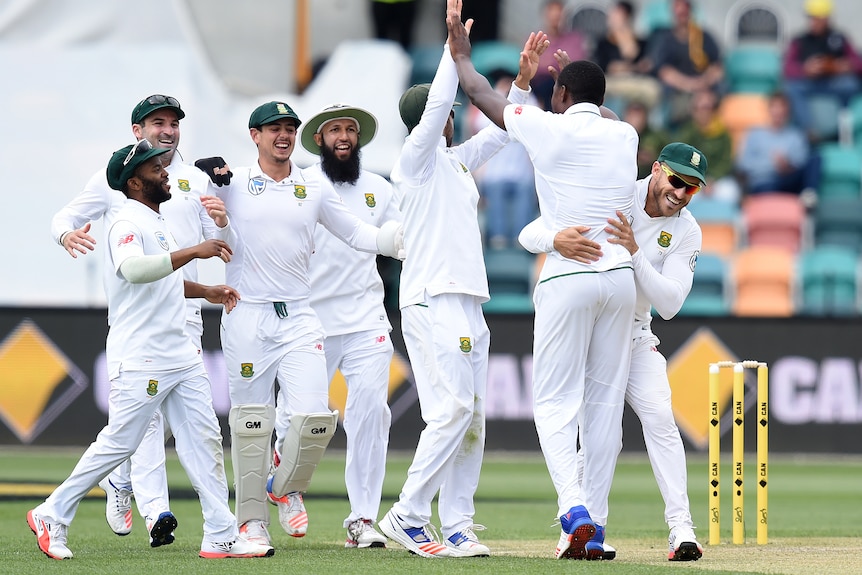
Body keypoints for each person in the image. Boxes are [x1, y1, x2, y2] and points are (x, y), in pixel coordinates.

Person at [446, 0, 638, 560]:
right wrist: (565, 89)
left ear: (560, 98)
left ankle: (573, 508)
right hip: (619, 279)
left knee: (555, 403)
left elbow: (481, 93)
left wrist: (460, 46)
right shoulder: (623, 135)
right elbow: (597, 113)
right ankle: (592, 529)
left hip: (568, 276)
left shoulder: (547, 128)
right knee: (604, 408)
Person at [27, 140, 272, 561]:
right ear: (136, 182)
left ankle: (220, 533)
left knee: (204, 439)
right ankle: (52, 513)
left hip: (180, 351)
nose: (165, 172)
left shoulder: (155, 221)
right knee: (121, 443)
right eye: (156, 169)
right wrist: (193, 251)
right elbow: (133, 269)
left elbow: (163, 279)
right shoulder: (125, 221)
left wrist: (205, 290)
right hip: (142, 354)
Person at [199, 101, 404, 548]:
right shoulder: (230, 181)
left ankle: (286, 487)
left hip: (299, 315)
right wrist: (215, 215)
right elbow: (213, 234)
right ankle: (251, 521)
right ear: (255, 135)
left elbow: (356, 233)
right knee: (252, 422)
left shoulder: (311, 187)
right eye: (274, 128)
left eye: (288, 128)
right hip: (247, 312)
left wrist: (397, 239)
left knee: (313, 418)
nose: (283, 135)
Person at [377, 20, 545, 559]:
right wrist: (456, 53)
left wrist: (519, 87)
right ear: (430, 122)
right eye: (444, 114)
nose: (449, 119)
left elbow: (501, 134)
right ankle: (406, 512)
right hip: (430, 297)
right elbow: (437, 105)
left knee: (470, 418)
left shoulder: (454, 163)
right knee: (450, 410)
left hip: (469, 300)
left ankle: (457, 525)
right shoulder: (415, 164)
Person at [50, 94, 231, 547]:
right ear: (137, 132)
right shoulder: (121, 191)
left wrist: (211, 267)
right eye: (157, 122)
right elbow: (129, 262)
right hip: (141, 328)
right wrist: (65, 233)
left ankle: (220, 532)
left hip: (182, 318)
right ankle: (151, 512)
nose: (168, 131)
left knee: (194, 431)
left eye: (174, 123)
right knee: (135, 433)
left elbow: (213, 244)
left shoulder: (185, 182)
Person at [519, 141, 709, 562]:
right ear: (657, 169)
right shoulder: (618, 193)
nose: (679, 194)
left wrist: (635, 254)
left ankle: (682, 530)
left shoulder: (688, 229)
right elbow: (531, 232)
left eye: (691, 188)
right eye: (676, 181)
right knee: (600, 437)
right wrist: (556, 241)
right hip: (594, 330)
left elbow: (672, 303)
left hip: (637, 333)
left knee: (660, 415)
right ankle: (582, 531)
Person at [299, 103, 401, 549]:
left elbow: (401, 237)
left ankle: (362, 519)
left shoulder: (380, 187)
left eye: (350, 130)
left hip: (366, 318)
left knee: (371, 415)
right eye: (334, 130)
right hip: (310, 319)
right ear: (319, 140)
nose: (343, 137)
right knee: (301, 419)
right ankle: (279, 493)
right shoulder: (302, 183)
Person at [466, 69, 538, 250]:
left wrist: (519, 91)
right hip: (495, 174)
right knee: (495, 190)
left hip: (522, 174)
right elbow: (478, 123)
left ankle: (521, 240)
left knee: (524, 192)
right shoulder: (492, 104)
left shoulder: (530, 104)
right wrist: (498, 92)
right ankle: (497, 239)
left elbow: (536, 118)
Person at [781, 0, 862, 139]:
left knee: (852, 84)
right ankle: (809, 129)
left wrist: (844, 66)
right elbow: (788, 68)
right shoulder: (799, 40)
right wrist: (805, 70)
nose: (813, 21)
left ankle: (844, 129)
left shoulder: (839, 38)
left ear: (826, 18)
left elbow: (858, 63)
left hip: (835, 84)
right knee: (791, 88)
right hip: (810, 84)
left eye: (817, 18)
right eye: (811, 17)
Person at [647, 0, 724, 129]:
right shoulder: (666, 40)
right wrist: (689, 85)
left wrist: (704, 82)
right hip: (678, 90)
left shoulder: (704, 37)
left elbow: (717, 67)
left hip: (705, 89)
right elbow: (664, 72)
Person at [736, 91, 821, 201]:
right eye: (775, 107)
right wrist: (773, 165)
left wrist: (787, 166)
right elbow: (743, 164)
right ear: (769, 109)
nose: (778, 111)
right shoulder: (754, 134)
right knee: (767, 186)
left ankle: (809, 197)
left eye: (782, 107)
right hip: (764, 183)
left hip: (790, 181)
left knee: (816, 158)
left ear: (788, 111)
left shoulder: (796, 136)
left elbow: (801, 163)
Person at [673, 89, 741, 204]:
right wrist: (698, 179)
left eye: (706, 108)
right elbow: (680, 159)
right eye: (698, 108)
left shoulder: (723, 133)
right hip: (692, 179)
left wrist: (712, 180)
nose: (702, 112)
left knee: (731, 192)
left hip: (717, 180)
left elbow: (726, 162)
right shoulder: (686, 132)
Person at [592, 1, 661, 114]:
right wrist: (633, 67)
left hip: (636, 81)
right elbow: (609, 67)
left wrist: (625, 37)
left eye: (618, 15)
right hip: (613, 82)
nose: (612, 18)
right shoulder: (604, 43)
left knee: (653, 90)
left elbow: (642, 63)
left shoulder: (640, 41)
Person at [533, 0, 587, 110]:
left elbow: (576, 64)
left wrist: (548, 61)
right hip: (539, 86)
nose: (555, 18)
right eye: (552, 13)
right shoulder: (537, 37)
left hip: (566, 85)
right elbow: (532, 64)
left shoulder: (574, 39)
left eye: (559, 14)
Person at [624, 99, 671, 180]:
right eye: (632, 115)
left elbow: (668, 158)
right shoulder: (618, 135)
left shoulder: (657, 136)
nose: (636, 119)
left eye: (639, 115)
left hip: (649, 178)